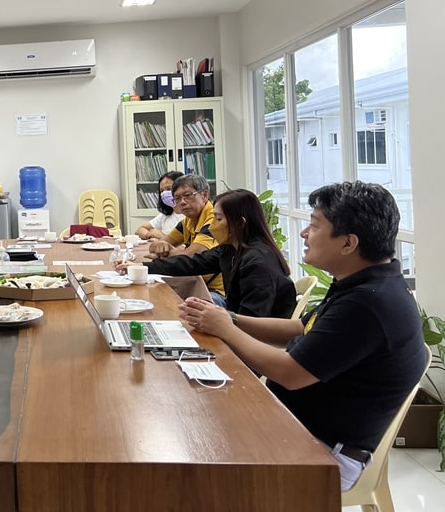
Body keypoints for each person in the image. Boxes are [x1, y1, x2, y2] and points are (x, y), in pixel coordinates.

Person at [179, 181, 426, 491]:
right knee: (197, 411)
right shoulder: (364, 282)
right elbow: (299, 328)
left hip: (321, 452)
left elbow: (289, 373)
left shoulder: (368, 304)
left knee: (188, 444)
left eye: (314, 226)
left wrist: (225, 329)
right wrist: (230, 318)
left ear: (348, 243)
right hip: (296, 426)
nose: (303, 234)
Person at [125, 189, 295, 319]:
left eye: (218, 219)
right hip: (237, 323)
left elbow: (252, 319)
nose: (212, 226)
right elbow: (192, 263)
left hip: (259, 342)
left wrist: (215, 320)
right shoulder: (231, 249)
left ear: (240, 223)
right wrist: (141, 267)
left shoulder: (257, 263)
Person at [145, 174, 225, 304]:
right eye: (177, 198)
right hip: (194, 283)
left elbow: (190, 258)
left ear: (204, 195)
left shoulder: (214, 219)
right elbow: (158, 245)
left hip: (216, 292)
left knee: (175, 306)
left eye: (188, 195)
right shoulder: (187, 221)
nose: (182, 202)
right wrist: (160, 245)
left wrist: (166, 252)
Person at [135, 170, 184, 241]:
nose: (164, 193)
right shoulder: (167, 214)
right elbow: (140, 230)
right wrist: (150, 235)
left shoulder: (189, 215)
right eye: (162, 191)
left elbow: (186, 246)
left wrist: (162, 237)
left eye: (169, 189)